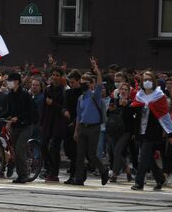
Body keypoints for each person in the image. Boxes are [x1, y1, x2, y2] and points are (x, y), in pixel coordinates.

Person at [130, 71, 172, 191]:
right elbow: (135, 115)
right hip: (141, 131)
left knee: (143, 157)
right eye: (145, 79)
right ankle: (160, 179)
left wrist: (171, 133)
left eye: (149, 79)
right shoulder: (139, 95)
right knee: (148, 159)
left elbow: (165, 116)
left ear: (154, 81)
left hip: (152, 132)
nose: (147, 82)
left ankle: (139, 182)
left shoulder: (159, 96)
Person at [72, 58, 109, 186]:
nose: (82, 84)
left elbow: (99, 84)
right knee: (80, 155)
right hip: (82, 127)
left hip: (94, 128)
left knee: (92, 154)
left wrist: (97, 70)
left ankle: (103, 170)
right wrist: (76, 131)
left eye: (85, 83)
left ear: (90, 84)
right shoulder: (80, 98)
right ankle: (79, 178)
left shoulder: (95, 95)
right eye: (81, 82)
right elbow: (78, 115)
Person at [5, 72, 36, 184]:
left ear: (17, 81)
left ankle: (24, 175)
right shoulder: (10, 95)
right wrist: (0, 116)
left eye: (10, 80)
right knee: (15, 151)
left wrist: (18, 117)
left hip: (26, 126)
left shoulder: (25, 95)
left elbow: (30, 111)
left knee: (19, 149)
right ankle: (20, 174)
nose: (8, 83)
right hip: (15, 127)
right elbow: (9, 111)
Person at [41, 67, 68, 183]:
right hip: (48, 121)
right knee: (43, 145)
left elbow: (64, 107)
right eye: (53, 75)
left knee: (55, 148)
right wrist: (42, 122)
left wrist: (53, 104)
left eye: (57, 75)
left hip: (59, 122)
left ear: (61, 77)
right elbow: (44, 107)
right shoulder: (47, 89)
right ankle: (49, 168)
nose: (55, 77)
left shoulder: (64, 90)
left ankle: (54, 172)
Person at [107, 83, 134, 183]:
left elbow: (131, 118)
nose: (123, 91)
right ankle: (127, 170)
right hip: (114, 130)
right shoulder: (114, 101)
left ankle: (114, 174)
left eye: (125, 90)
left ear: (128, 92)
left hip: (125, 131)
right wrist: (113, 109)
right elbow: (108, 114)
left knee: (117, 151)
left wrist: (126, 106)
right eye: (121, 89)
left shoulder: (131, 103)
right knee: (115, 152)